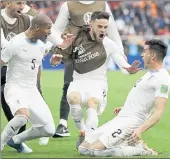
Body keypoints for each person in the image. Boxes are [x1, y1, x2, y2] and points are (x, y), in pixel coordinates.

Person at [50, 11, 141, 148]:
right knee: (73, 99)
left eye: (105, 27)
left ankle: (90, 138)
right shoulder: (77, 39)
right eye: (100, 26)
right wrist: (54, 61)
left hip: (98, 83)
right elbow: (59, 58)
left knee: (92, 103)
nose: (103, 30)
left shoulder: (109, 44)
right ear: (91, 25)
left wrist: (128, 69)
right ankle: (82, 133)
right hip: (79, 80)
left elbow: (121, 63)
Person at [78, 39, 170, 157]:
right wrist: (126, 107)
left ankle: (140, 150)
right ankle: (128, 144)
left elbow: (158, 113)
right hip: (123, 117)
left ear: (152, 55)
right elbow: (143, 97)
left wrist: (140, 130)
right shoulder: (149, 73)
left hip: (132, 121)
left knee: (95, 151)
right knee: (83, 148)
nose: (142, 54)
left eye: (144, 51)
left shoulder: (163, 79)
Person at [1, 1, 63, 149]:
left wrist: (54, 61)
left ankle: (16, 140)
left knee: (49, 129)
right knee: (22, 117)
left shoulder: (41, 44)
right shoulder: (15, 43)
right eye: (48, 28)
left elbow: (55, 44)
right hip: (15, 87)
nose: (49, 32)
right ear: (36, 28)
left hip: (32, 90)